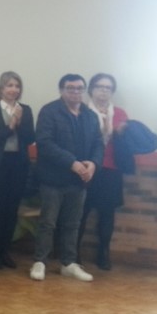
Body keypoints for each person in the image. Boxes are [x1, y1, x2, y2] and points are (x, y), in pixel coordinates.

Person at [31, 74, 103, 282]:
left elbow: (99, 143)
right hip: (53, 178)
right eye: (70, 88)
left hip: (79, 180)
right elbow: (44, 143)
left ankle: (68, 263)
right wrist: (72, 163)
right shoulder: (50, 111)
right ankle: (40, 261)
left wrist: (93, 163)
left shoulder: (90, 115)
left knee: (73, 223)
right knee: (48, 223)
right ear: (62, 90)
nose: (75, 92)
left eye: (80, 88)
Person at [0, 72, 35, 270]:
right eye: (9, 85)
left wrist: (19, 123)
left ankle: (5, 251)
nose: (14, 89)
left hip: (19, 164)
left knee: (12, 209)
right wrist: (11, 125)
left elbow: (30, 138)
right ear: (1, 88)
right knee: (0, 207)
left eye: (17, 86)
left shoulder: (25, 110)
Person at [78, 73, 128, 270]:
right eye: (100, 86)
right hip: (87, 167)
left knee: (107, 213)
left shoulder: (120, 114)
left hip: (111, 169)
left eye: (108, 87)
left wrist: (118, 131)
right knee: (81, 211)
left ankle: (103, 253)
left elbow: (125, 143)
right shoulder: (82, 111)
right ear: (91, 89)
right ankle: (73, 252)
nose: (104, 91)